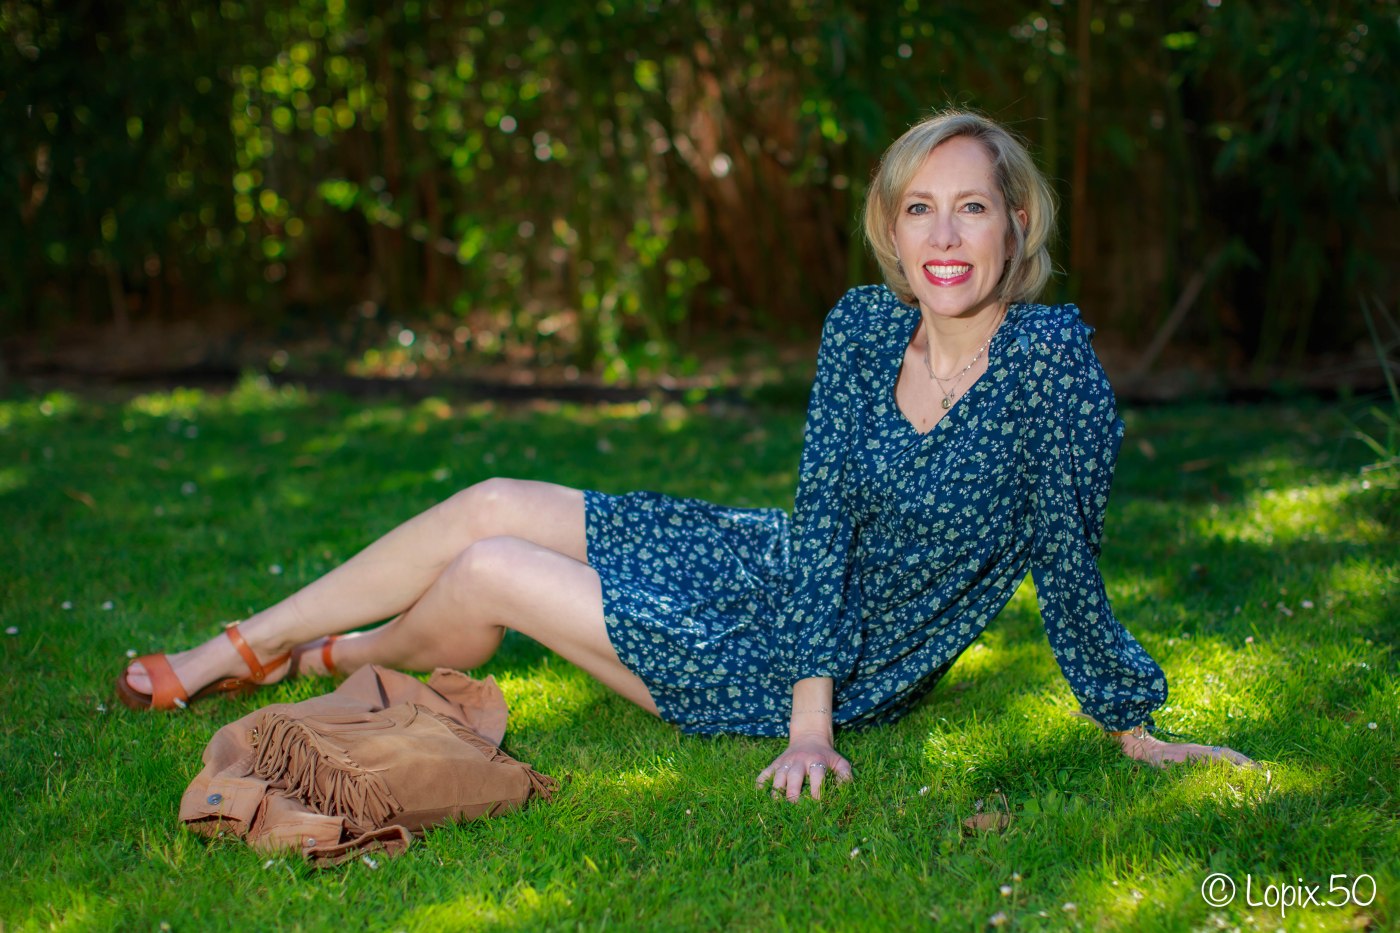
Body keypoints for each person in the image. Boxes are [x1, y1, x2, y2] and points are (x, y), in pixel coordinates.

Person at [118, 110, 1257, 801]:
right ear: (891, 226)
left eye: (971, 209)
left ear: (1017, 224)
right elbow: (820, 520)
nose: (945, 237)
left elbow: (1066, 556)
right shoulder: (865, 326)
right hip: (772, 564)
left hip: (832, 661)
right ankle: (251, 645)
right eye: (920, 209)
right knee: (493, 499)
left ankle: (338, 655)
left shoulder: (1050, 367)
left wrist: (1131, 727)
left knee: (488, 574)